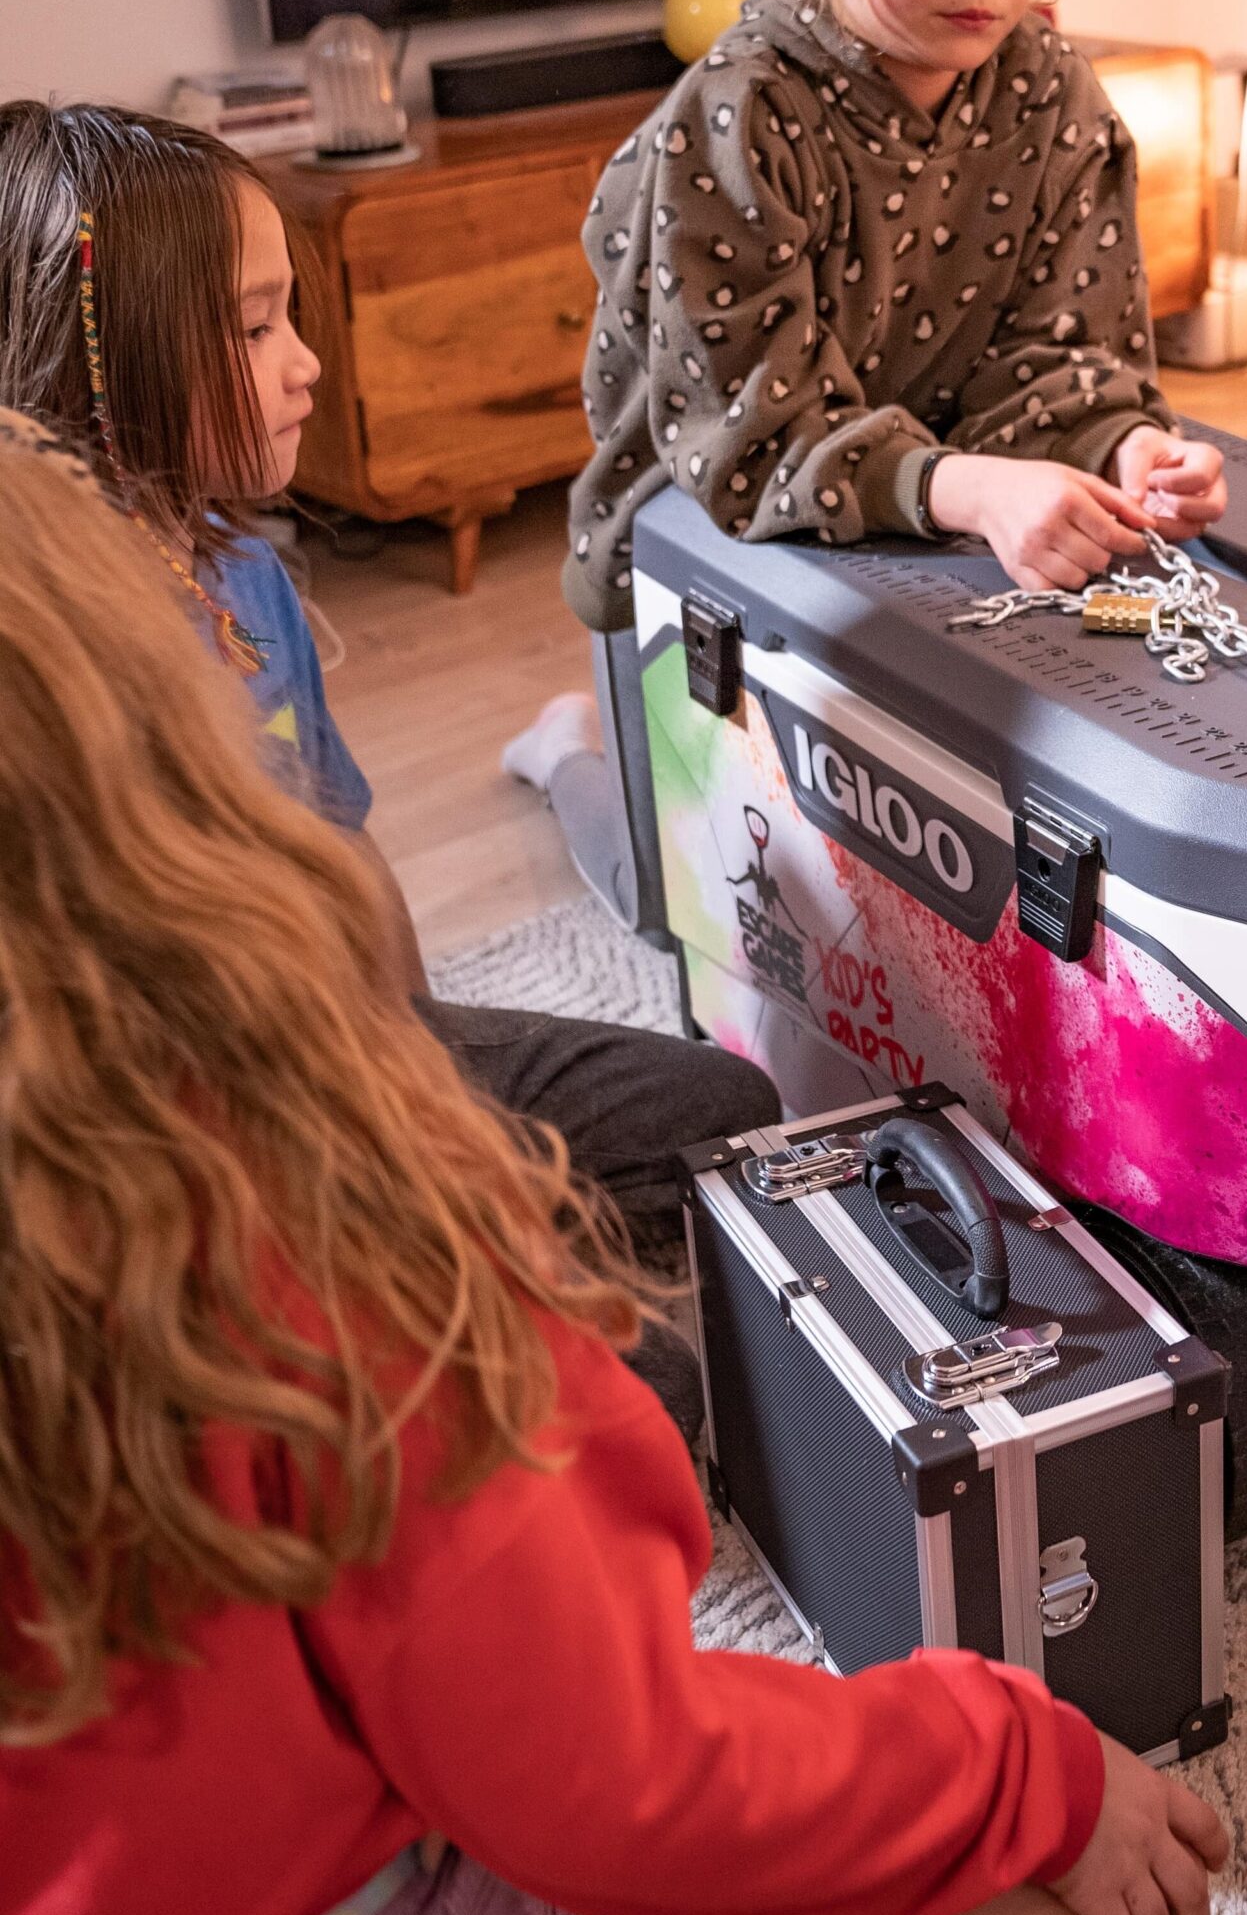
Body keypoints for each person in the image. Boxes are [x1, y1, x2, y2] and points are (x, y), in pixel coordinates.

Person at [0, 412, 1229, 1915]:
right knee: (1099, 1914)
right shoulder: (302, 1223)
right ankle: (575, 760)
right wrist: (1029, 1765)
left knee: (703, 1137)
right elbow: (621, 1783)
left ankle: (570, 757)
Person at [0, 100, 780, 1433]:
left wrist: (423, 1096)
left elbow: (350, 862)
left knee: (733, 1115)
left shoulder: (243, 569)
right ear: (104, 365)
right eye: (252, 330)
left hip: (348, 1061)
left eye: (288, 314)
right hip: (191, 1151)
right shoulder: (50, 677)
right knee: (645, 1408)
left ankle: (479, 1258)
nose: (303, 366)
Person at [512, 0, 1228, 933]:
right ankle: (566, 748)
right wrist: (974, 489)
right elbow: (749, 441)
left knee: (928, 915)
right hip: (712, 543)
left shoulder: (1052, 89)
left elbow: (1061, 353)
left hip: (927, 545)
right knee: (682, 906)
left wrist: (1125, 447)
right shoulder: (733, 120)